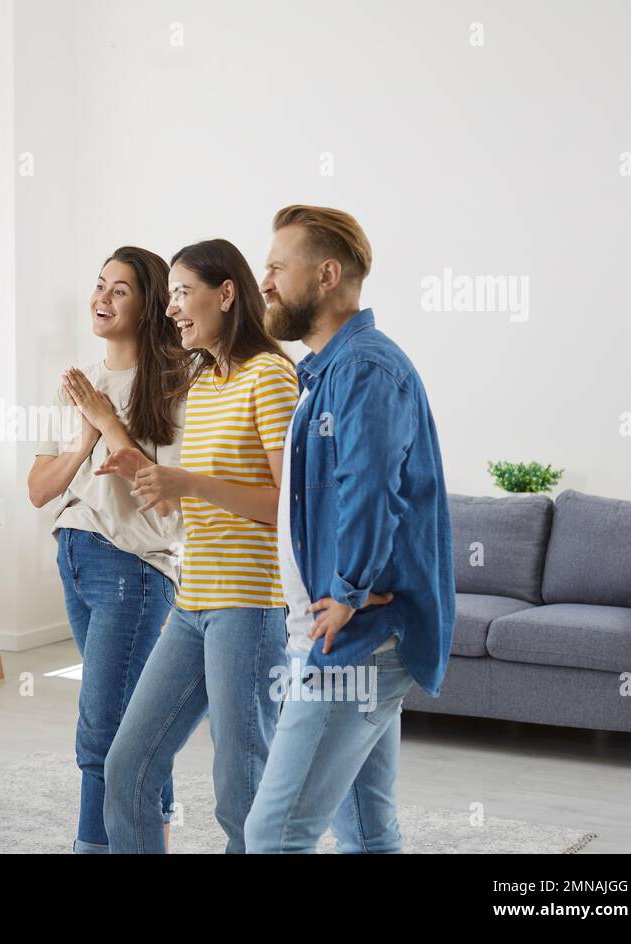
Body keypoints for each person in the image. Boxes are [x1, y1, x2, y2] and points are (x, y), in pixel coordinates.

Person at [243, 205, 454, 854]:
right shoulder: (328, 371)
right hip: (343, 634)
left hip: (351, 642)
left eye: (278, 267)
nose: (265, 281)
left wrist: (351, 588)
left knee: (272, 836)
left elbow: (371, 485)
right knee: (365, 829)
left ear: (326, 275)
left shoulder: (362, 368)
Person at [99, 239, 298, 853]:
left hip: (251, 607)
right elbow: (205, 500)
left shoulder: (270, 375)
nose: (173, 309)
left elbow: (291, 508)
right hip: (194, 603)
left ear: (227, 293)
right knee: (127, 764)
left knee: (241, 794)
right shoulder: (203, 380)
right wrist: (154, 480)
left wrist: (186, 482)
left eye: (184, 293)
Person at [28, 246, 187, 853]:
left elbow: (169, 501)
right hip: (74, 558)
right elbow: (40, 490)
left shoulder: (177, 383)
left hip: (134, 569)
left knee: (104, 732)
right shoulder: (77, 384)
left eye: (120, 290)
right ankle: (152, 839)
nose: (102, 297)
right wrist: (85, 437)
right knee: (132, 725)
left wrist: (109, 423)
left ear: (148, 304)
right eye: (100, 285)